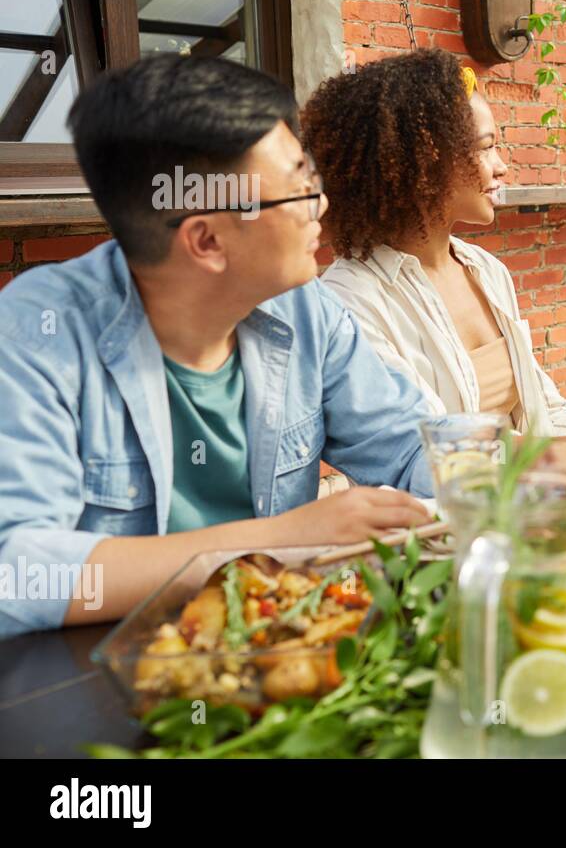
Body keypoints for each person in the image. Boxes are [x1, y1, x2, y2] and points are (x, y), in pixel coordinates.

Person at [0, 55, 436, 639]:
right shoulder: (37, 334)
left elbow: (412, 448)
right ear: (205, 240)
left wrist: (527, 471)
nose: (322, 206)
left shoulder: (306, 312)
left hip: (270, 655)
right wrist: (282, 540)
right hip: (104, 685)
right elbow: (19, 571)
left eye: (313, 178)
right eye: (298, 191)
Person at [302, 50, 566, 436]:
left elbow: (543, 421)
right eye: (486, 146)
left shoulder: (486, 270)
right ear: (426, 160)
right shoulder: (351, 301)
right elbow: (425, 459)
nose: (502, 165)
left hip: (531, 496)